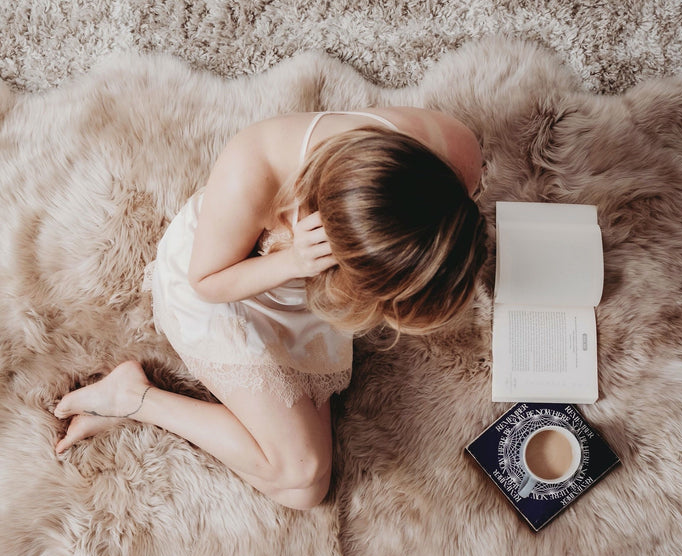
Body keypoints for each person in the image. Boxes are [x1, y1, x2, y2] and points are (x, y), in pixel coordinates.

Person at [53, 108, 485, 510]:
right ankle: (133, 396)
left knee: (301, 475)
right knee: (303, 483)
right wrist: (293, 262)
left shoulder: (455, 150)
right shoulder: (252, 169)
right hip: (232, 292)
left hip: (304, 295)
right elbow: (206, 281)